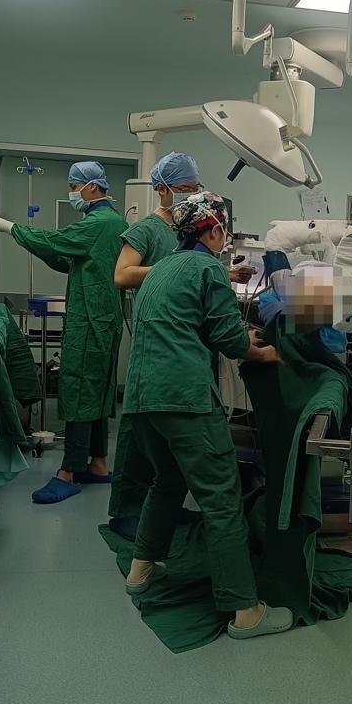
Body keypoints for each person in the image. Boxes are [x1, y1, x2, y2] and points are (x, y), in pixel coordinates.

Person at [123, 191, 293, 639]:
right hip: (183, 398)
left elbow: (186, 324)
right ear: (215, 230)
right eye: (224, 231)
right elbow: (228, 340)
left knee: (167, 482)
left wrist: (236, 336)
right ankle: (244, 610)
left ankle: (140, 572)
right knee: (220, 498)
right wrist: (262, 351)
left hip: (141, 398)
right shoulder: (208, 269)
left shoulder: (160, 269)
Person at [108, 151, 253, 539]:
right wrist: (177, 267)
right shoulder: (147, 229)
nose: (191, 193)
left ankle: (161, 513)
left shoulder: (187, 232)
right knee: (140, 440)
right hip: (159, 342)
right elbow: (121, 275)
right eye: (185, 188)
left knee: (169, 450)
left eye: (195, 188)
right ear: (162, 189)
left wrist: (221, 272)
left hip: (185, 345)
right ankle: (126, 512)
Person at [0, 161, 126, 504]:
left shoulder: (98, 223)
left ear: (91, 187)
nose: (71, 192)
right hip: (103, 320)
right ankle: (98, 464)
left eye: (73, 186)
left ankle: (68, 473)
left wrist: (9, 227)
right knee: (96, 393)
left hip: (90, 322)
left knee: (79, 392)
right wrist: (39, 246)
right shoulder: (111, 222)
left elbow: (57, 242)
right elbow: (65, 257)